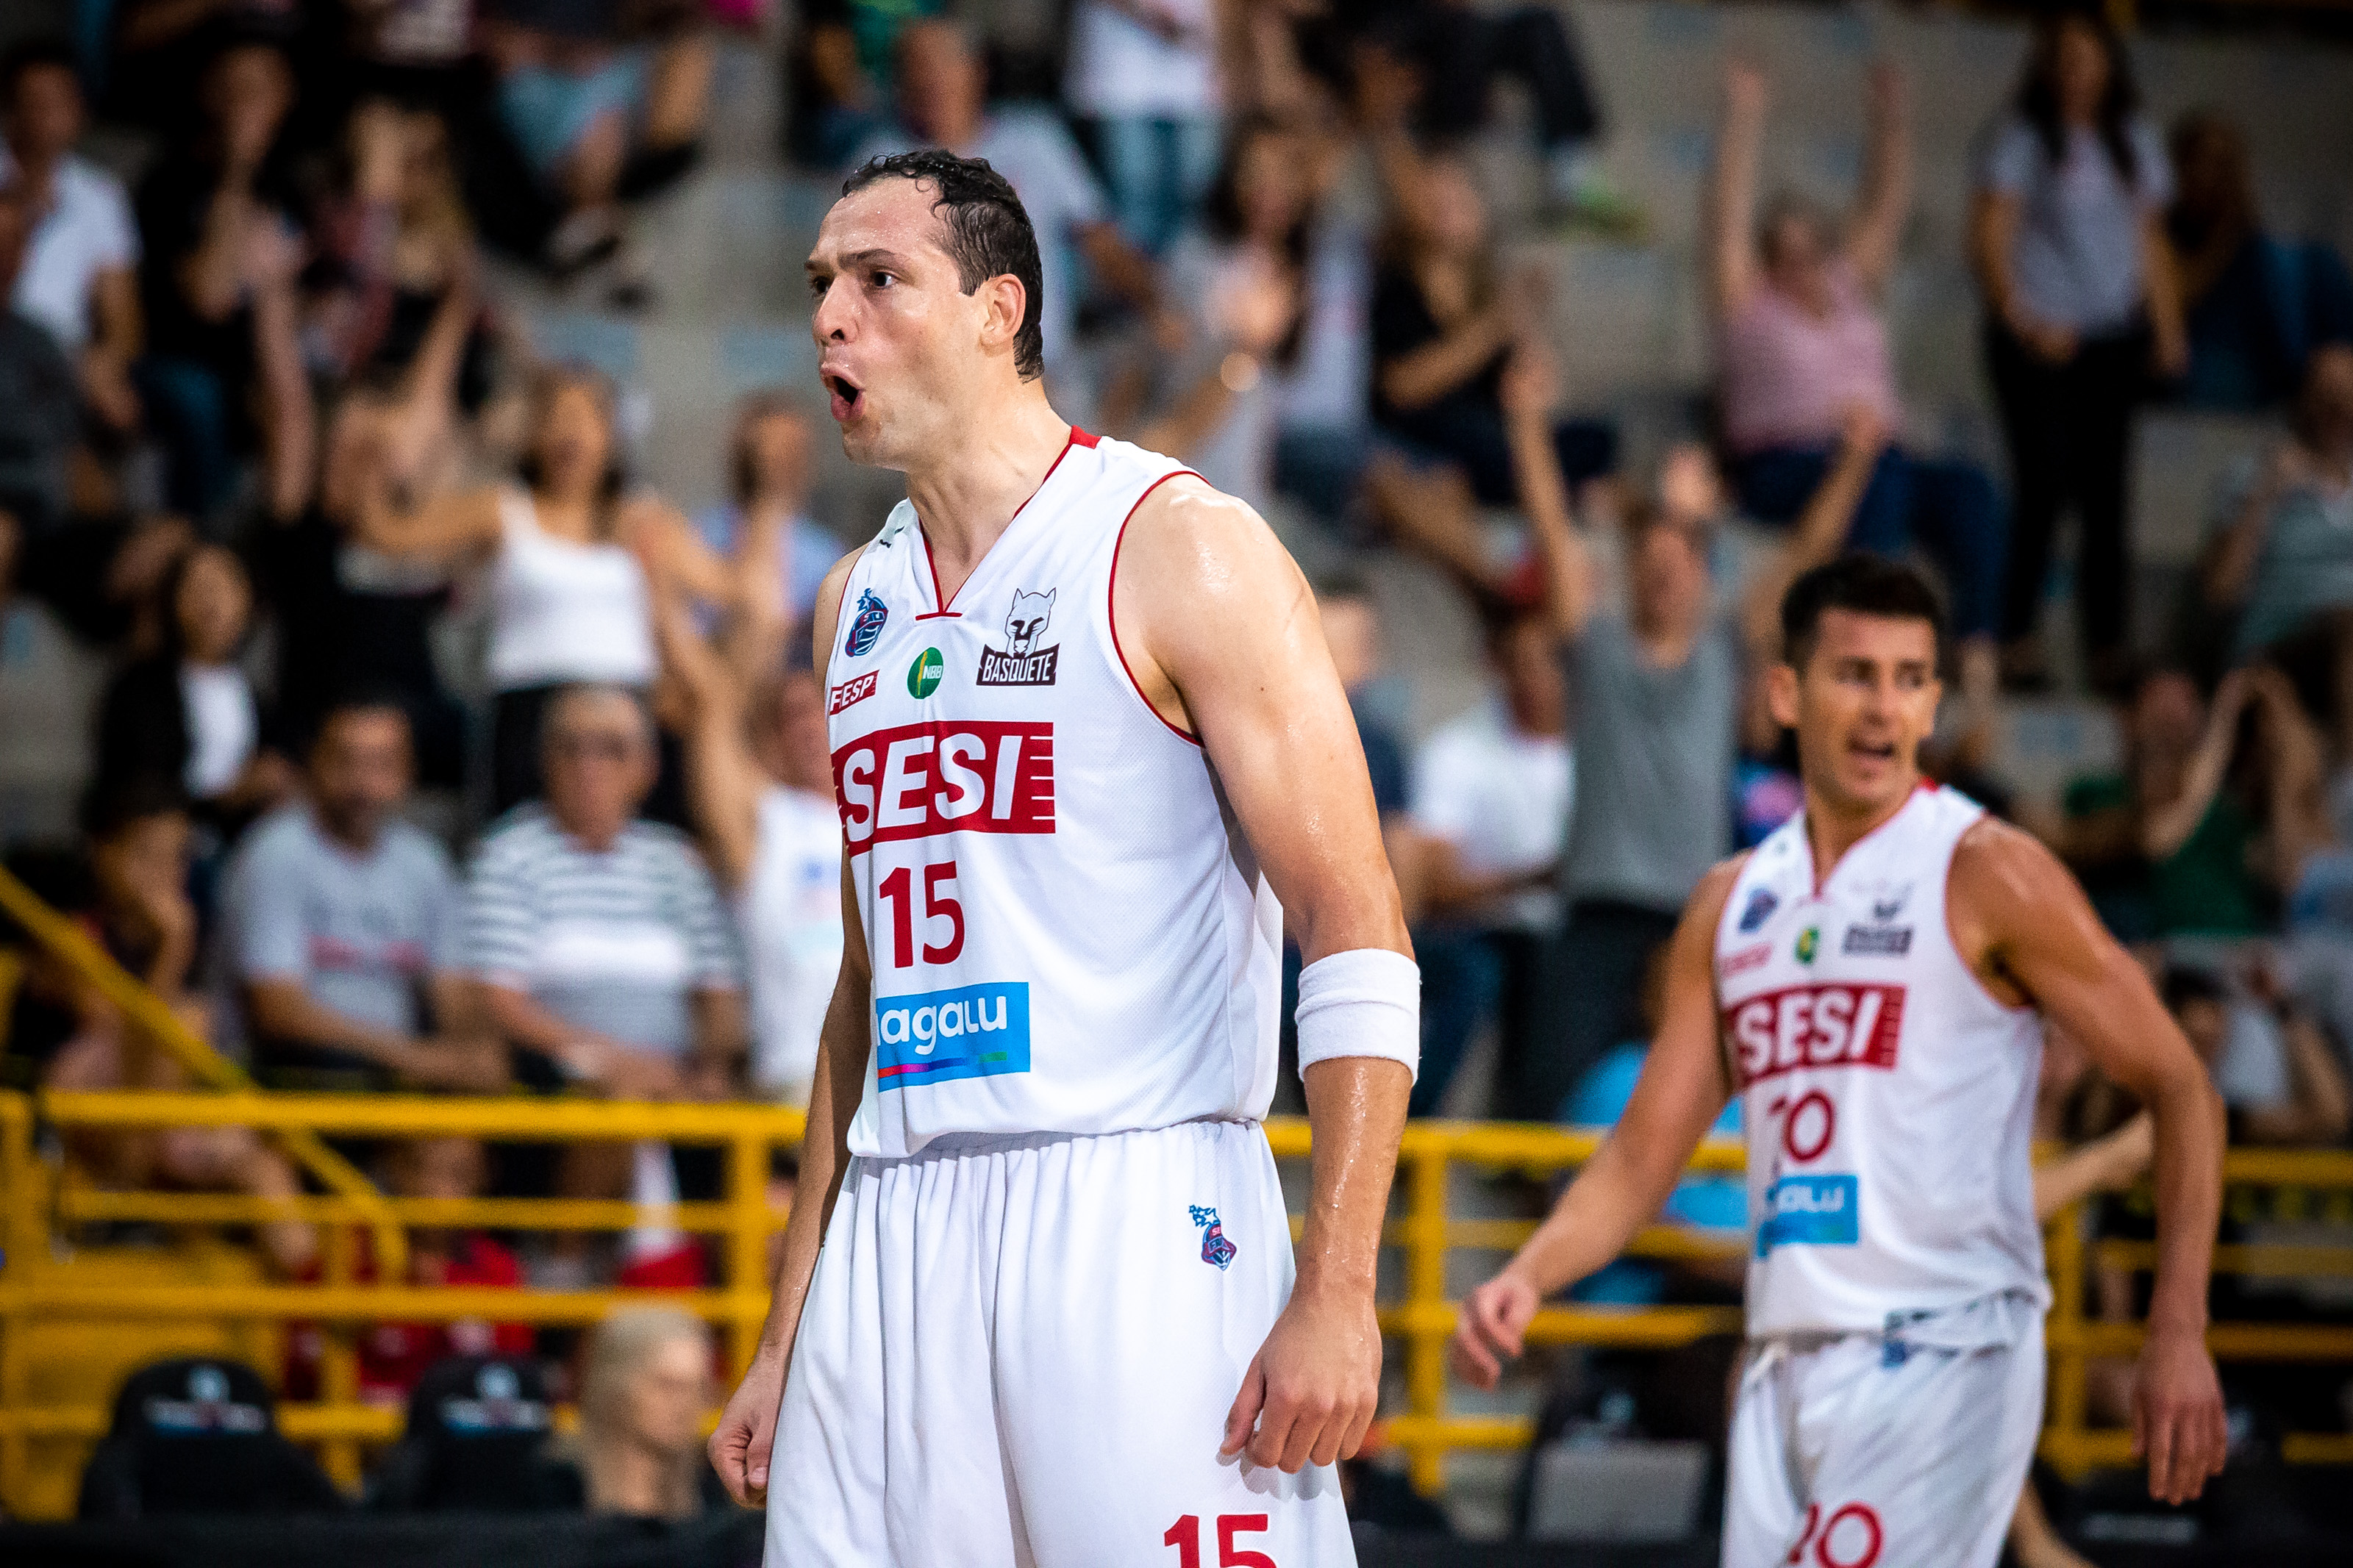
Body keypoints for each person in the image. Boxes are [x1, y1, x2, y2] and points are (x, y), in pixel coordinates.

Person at [709, 150, 1415, 1564]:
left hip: (1137, 1214)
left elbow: (1357, 920)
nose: (830, 320)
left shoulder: (1179, 546)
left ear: (997, 308)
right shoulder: (853, 602)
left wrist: (1341, 1281)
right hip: (897, 1236)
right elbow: (865, 991)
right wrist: (795, 1319)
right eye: (821, 289)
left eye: (878, 280)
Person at [1450, 556, 2229, 1567]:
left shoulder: (1987, 869)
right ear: (1785, 692)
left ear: (1935, 702)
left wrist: (2178, 1327)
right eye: (1855, 673)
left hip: (1946, 1350)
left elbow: (2181, 1086)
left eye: (1910, 679)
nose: (1883, 706)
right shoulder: (1732, 901)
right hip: (1785, 1362)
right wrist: (1531, 1270)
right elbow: (1644, 1157)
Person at [1709, 60, 2005, 683]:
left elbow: (1886, 203)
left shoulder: (1849, 288)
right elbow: (1727, 215)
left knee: (1970, 490)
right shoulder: (1749, 302)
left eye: (1811, 250)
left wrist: (1890, 119)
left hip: (1879, 455)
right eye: (1781, 253)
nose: (1799, 265)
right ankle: (1878, 637)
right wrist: (1744, 116)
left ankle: (1978, 654)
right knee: (1881, 482)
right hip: (1786, 464)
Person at [351, 363, 732, 815]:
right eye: (556, 415)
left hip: (627, 719)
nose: (571, 430)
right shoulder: (503, 509)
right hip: (530, 720)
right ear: (533, 433)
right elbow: (387, 537)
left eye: (587, 417)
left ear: (611, 437)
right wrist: (373, 455)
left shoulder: (646, 520)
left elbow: (732, 593)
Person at [463, 684, 746, 1237]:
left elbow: (719, 990)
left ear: (646, 767)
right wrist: (614, 1059)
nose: (588, 766)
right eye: (571, 747)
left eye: (610, 749)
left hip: (673, 1077)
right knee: (621, 1103)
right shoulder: (510, 854)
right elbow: (497, 1000)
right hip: (558, 1075)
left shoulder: (676, 862)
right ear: (545, 761)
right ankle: (564, 1265)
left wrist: (710, 1063)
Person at [1971, 10, 2185, 691]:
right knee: (2043, 484)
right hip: (2038, 338)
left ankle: (2108, 650)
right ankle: (2017, 639)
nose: (2075, 74)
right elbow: (1993, 233)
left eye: (2087, 60)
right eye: (2063, 60)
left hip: (2109, 339)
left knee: (2107, 498)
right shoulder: (2022, 137)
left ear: (2109, 67)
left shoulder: (2134, 141)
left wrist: (2169, 323)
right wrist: (2020, 316)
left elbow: (2149, 241)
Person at [847, 19, 1165, 412]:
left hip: (1039, 373)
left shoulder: (1035, 142)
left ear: (977, 70)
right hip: (933, 382)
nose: (931, 78)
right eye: (916, 65)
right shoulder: (880, 162)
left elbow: (1101, 243)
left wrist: (1158, 306)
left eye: (944, 62)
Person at [218, 694, 505, 1094]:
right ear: (313, 763)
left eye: (382, 765)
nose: (363, 784)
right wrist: (411, 1057)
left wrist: (472, 1053)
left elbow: (454, 992)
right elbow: (278, 1011)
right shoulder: (274, 851)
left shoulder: (424, 863)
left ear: (408, 773)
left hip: (396, 1083)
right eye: (345, 761)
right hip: (293, 1078)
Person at [656, 597, 844, 1106]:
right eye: (789, 716)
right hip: (795, 1077)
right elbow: (713, 704)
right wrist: (662, 595)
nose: (806, 725)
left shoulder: (894, 813)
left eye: (820, 708)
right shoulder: (769, 822)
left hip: (897, 1075)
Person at [1368, 151, 1613, 511]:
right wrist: (1497, 324)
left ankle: (1549, 491)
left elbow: (1522, 388)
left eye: (1459, 194)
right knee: (1486, 445)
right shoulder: (1397, 289)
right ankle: (1558, 493)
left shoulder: (1487, 291)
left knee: (1597, 438)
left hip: (1492, 434)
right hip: (1426, 433)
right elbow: (1401, 388)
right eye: (1437, 196)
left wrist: (1529, 339)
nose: (1448, 204)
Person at [132, 37, 313, 524]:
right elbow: (209, 297)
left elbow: (285, 315)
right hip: (171, 359)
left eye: (260, 91)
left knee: (293, 403)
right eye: (234, 89)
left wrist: (281, 388)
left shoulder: (291, 190)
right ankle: (198, 540)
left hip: (252, 363)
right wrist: (237, 172)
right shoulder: (169, 181)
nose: (245, 105)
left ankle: (281, 550)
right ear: (208, 94)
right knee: (201, 397)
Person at [1407, 604, 1571, 1117]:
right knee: (1490, 970)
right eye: (1520, 661)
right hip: (1484, 936)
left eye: (1548, 661)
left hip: (1563, 940)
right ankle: (1420, 1121)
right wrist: (1534, 879)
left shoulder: (1599, 753)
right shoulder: (1457, 749)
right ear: (1498, 665)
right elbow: (1433, 888)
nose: (1534, 677)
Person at [93, 542, 294, 826]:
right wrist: (228, 797)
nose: (211, 601)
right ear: (172, 601)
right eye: (198, 587)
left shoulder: (258, 695)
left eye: (225, 585)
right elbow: (135, 787)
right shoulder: (139, 690)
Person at [1, 37, 142, 440]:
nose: (47, 116)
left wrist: (102, 365)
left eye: (59, 102)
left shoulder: (101, 196)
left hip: (68, 358)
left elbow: (123, 318)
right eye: (34, 102)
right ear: (10, 109)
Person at [2166, 110, 2353, 414]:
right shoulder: (2158, 240)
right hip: (2200, 391)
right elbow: (2175, 308)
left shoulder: (2285, 263)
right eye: (2201, 162)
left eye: (2225, 164)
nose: (2212, 177)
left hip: (2277, 388)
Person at [2199, 344, 2353, 660]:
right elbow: (2220, 593)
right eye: (2328, 395)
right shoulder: (2252, 475)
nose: (2338, 409)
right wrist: (2266, 493)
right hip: (2277, 645)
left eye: (2347, 397)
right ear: (2304, 398)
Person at [690, 393, 838, 678]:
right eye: (776, 447)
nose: (787, 458)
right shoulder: (704, 535)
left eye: (796, 448)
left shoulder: (826, 551)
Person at [1063, 0, 1226, 255]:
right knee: (1135, 213)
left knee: (1199, 207)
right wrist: (1152, 16)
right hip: (1123, 88)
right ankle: (1140, 292)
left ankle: (1181, 291)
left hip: (1195, 86)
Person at [572, 1306, 720, 1518]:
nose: (684, 1404)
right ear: (615, 1387)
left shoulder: (716, 1501)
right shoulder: (556, 1495)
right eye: (667, 1385)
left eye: (696, 1387)